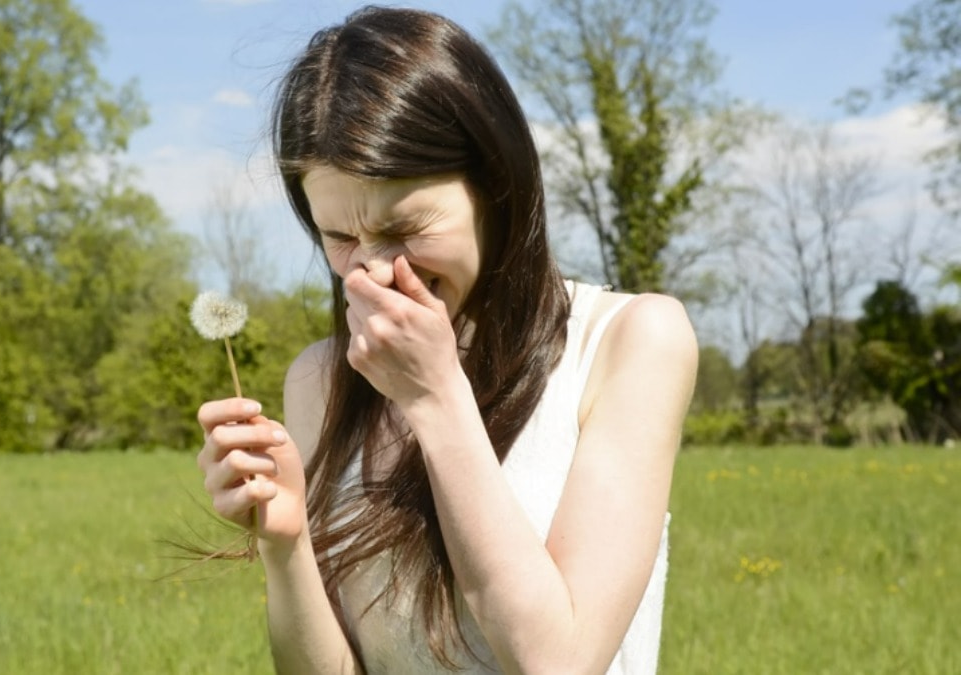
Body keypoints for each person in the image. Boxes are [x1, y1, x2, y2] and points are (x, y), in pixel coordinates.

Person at [195, 6, 698, 674]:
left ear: (493, 186)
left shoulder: (629, 341)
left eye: (404, 228)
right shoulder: (320, 379)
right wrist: (285, 544)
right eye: (341, 238)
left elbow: (559, 662)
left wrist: (436, 398)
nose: (371, 269)